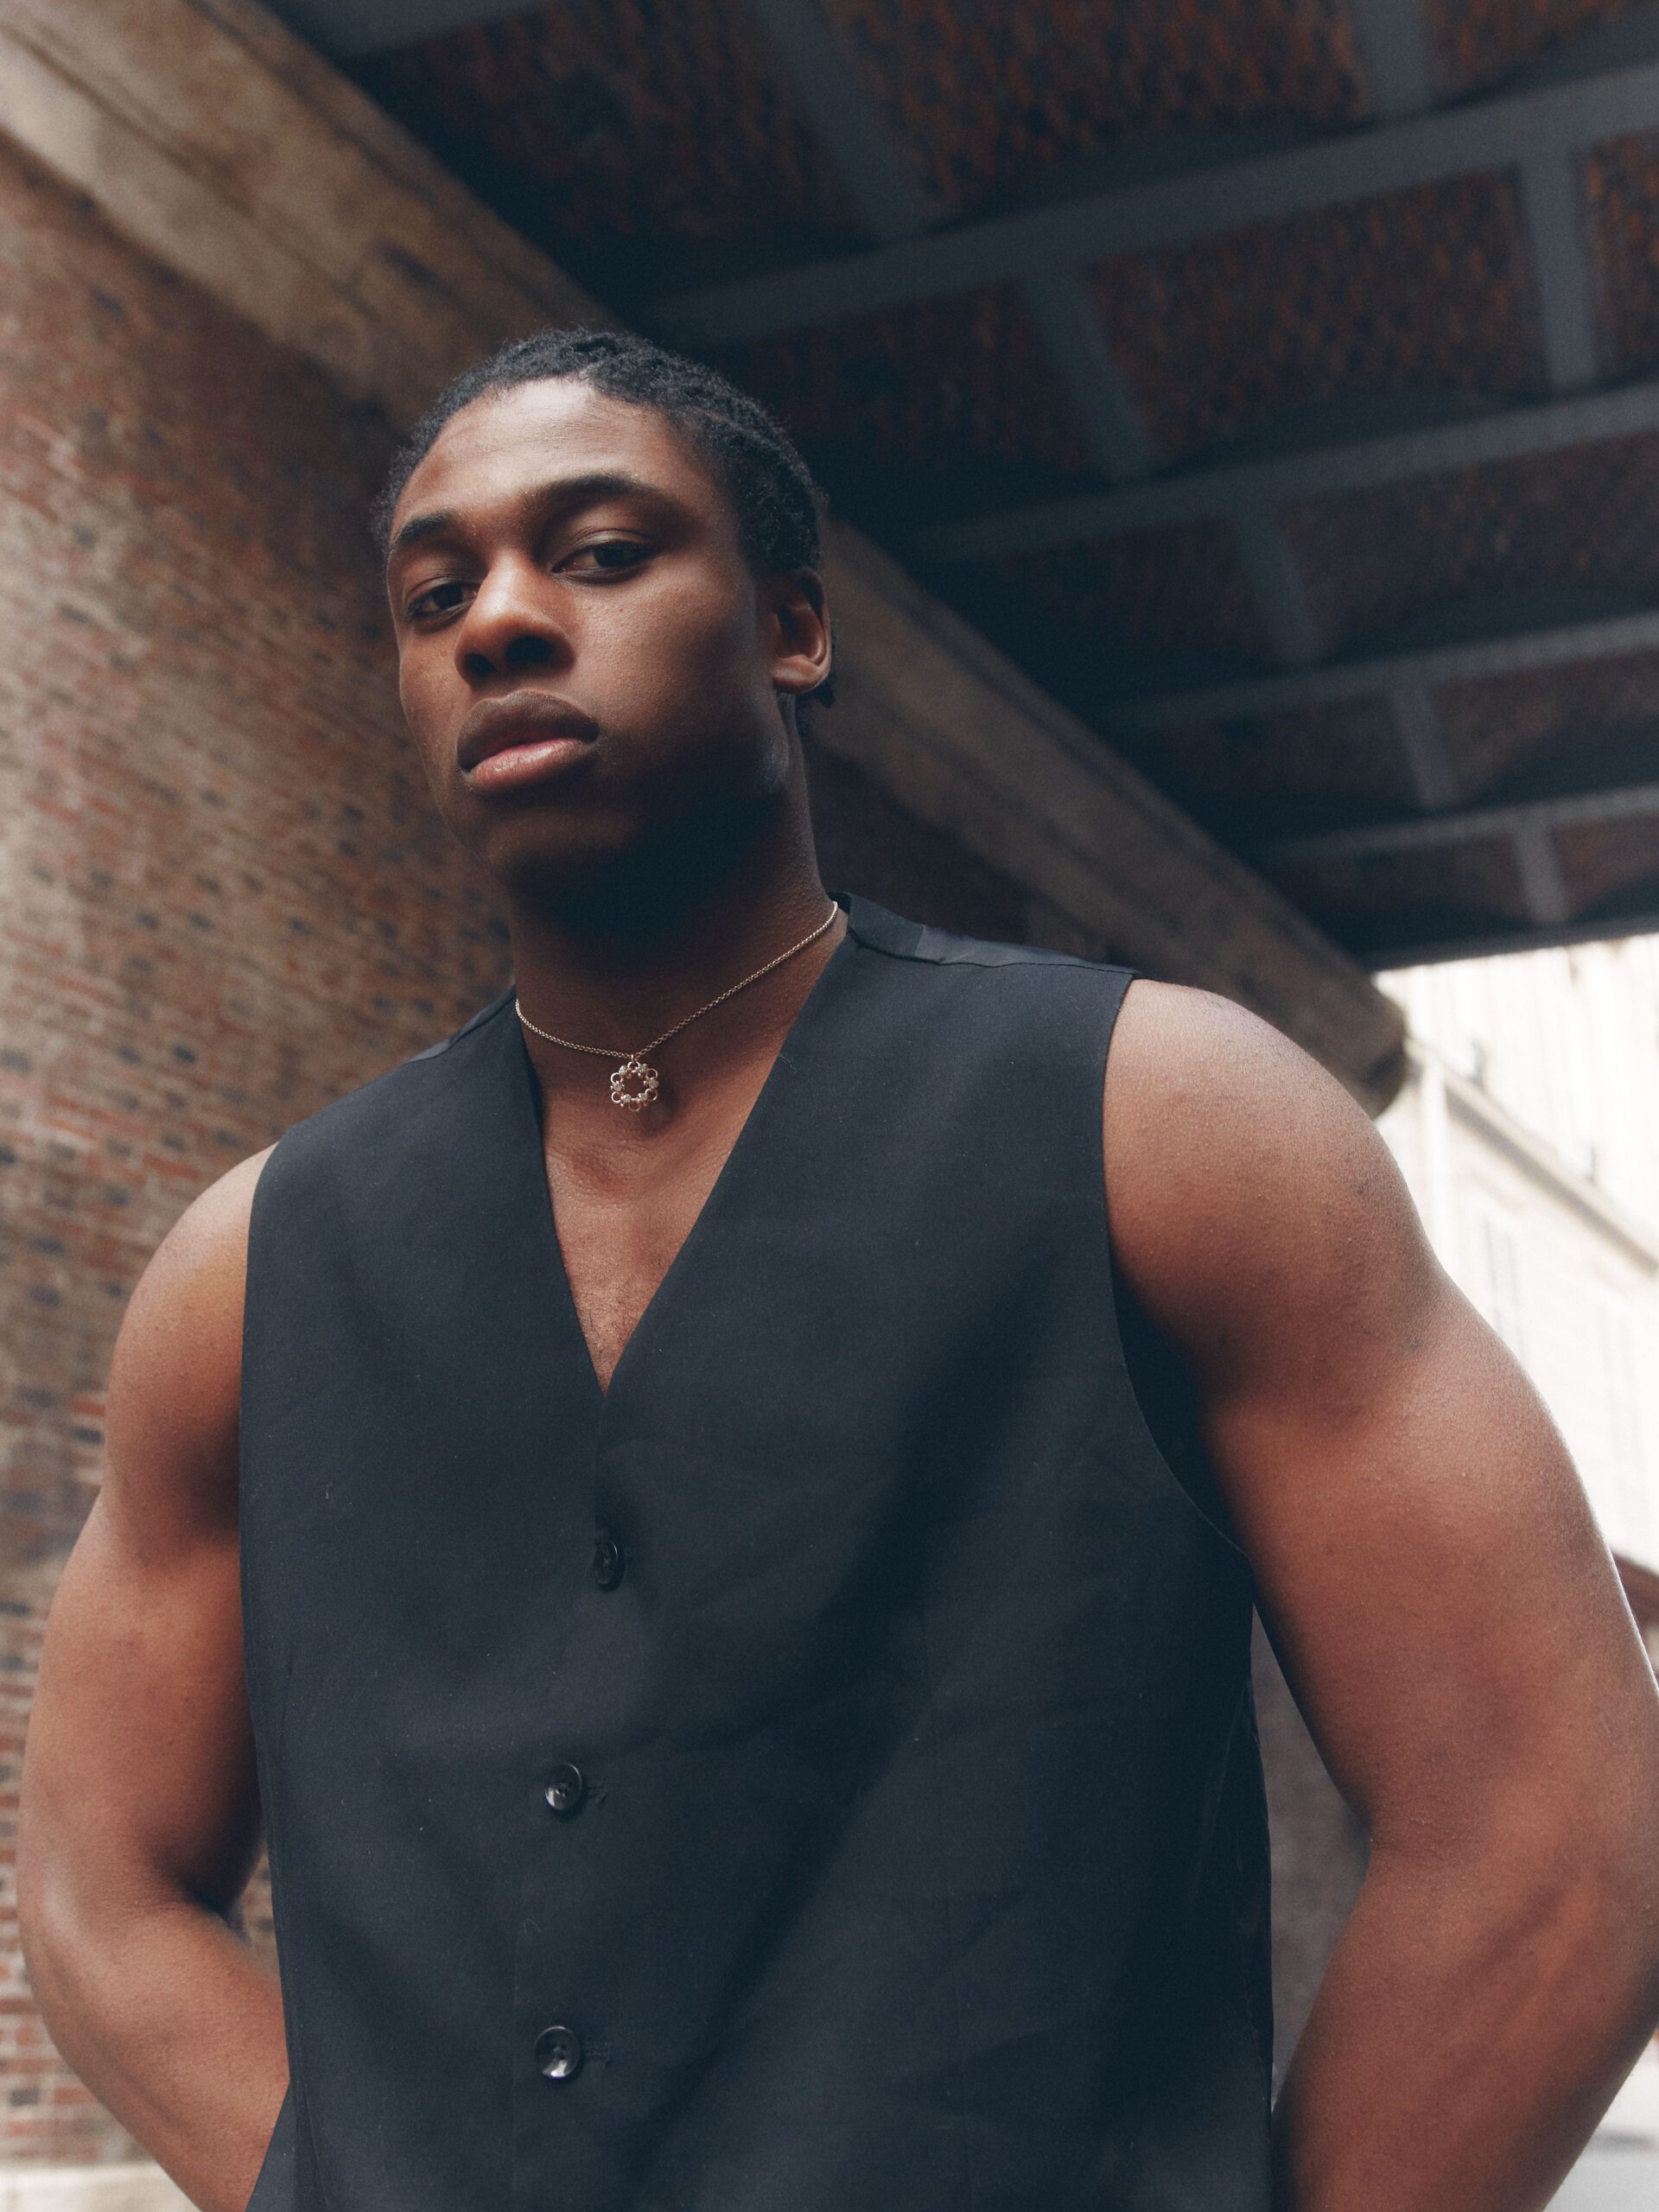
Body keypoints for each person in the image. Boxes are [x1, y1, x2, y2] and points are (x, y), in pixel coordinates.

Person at [18, 329, 1659, 2212]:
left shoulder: (1173, 1126)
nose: (502, 620)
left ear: (793, 626)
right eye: (435, 593)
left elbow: (1560, 1829)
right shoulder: (248, 1269)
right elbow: (99, 1881)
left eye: (601, 551)